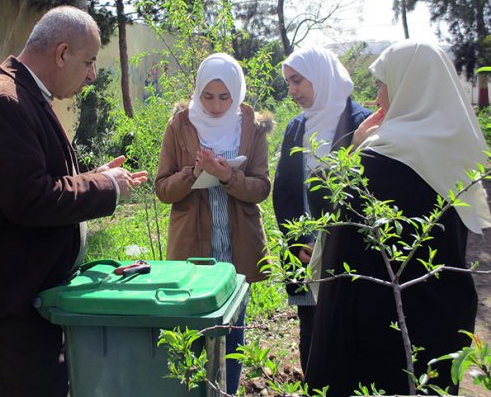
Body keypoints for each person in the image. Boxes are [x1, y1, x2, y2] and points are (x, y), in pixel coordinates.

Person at [0, 5, 147, 397]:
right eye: (88, 61)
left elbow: (39, 180)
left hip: (28, 293)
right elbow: (31, 199)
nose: (91, 75)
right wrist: (107, 187)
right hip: (9, 303)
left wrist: (96, 176)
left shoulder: (25, 95)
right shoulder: (4, 103)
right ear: (61, 53)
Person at [305, 40, 491, 396]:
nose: (376, 99)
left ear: (408, 85)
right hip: (439, 315)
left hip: (376, 325)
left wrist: (354, 147)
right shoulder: (459, 148)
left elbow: (329, 213)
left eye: (380, 84)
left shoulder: (379, 158)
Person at [155, 52, 272, 394]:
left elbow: (262, 188)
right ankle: (196, 390)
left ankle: (228, 389)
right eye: (208, 96)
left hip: (238, 246)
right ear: (197, 92)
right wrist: (193, 173)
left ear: (237, 94)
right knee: (193, 328)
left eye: (225, 97)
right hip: (194, 246)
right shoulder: (179, 125)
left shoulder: (251, 127)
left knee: (234, 329)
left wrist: (228, 177)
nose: (217, 105)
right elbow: (163, 189)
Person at [272, 46, 371, 373]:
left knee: (352, 331)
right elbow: (284, 193)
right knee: (311, 331)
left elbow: (367, 194)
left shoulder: (360, 125)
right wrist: (297, 242)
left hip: (350, 254)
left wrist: (338, 244)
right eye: (289, 82)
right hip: (304, 253)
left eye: (298, 81)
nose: (292, 90)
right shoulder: (296, 128)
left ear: (320, 76)